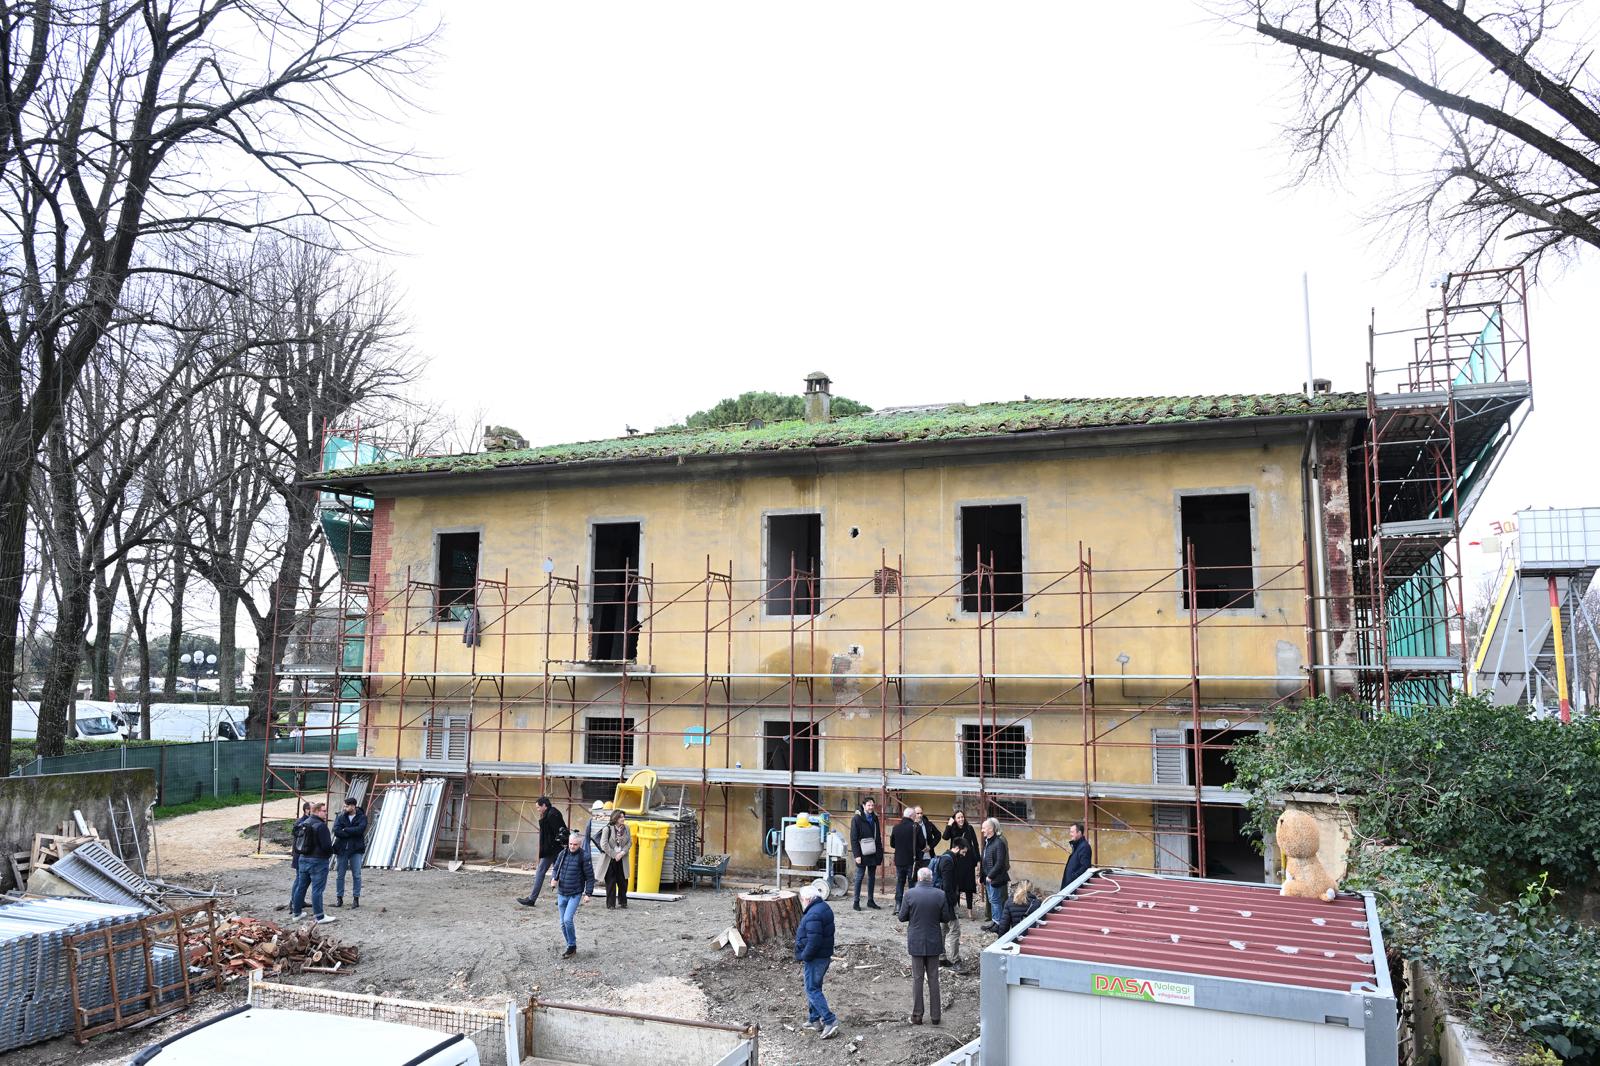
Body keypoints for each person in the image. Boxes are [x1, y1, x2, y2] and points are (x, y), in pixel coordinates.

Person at [898, 867, 951, 1025]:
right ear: (931, 878)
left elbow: (901, 917)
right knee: (934, 979)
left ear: (919, 878)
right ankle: (936, 1016)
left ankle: (917, 1015)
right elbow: (946, 917)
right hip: (934, 941)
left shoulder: (909, 894)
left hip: (916, 941)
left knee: (917, 979)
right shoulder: (940, 894)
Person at [793, 885, 840, 1040]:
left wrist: (804, 955)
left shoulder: (813, 914)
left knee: (812, 989)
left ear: (807, 899)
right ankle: (814, 1020)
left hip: (816, 957)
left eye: (801, 899)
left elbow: (814, 941)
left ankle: (829, 1020)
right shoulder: (822, 907)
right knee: (815, 987)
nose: (801, 901)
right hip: (822, 955)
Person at [548, 830, 595, 958]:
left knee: (568, 920)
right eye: (570, 844)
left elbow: (590, 877)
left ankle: (571, 945)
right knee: (562, 923)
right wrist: (553, 878)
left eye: (575, 844)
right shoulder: (562, 854)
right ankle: (571, 945)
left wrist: (588, 893)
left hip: (575, 893)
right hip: (561, 892)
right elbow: (556, 868)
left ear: (579, 845)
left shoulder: (584, 857)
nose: (572, 846)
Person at [290, 801, 337, 925]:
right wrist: (331, 852)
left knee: (301, 887)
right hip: (318, 861)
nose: (326, 813)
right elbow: (327, 846)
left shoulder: (304, 823)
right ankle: (320, 916)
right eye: (324, 811)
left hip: (303, 859)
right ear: (316, 811)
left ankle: (297, 913)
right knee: (317, 890)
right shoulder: (321, 826)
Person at [518, 796, 568, 907]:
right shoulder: (551, 813)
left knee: (548, 872)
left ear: (544, 805)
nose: (538, 809)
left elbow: (559, 833)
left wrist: (555, 847)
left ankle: (533, 899)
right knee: (558, 873)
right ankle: (561, 899)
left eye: (538, 807)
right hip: (553, 849)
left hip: (553, 850)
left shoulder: (552, 814)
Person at [928, 838, 965, 968]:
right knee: (955, 930)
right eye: (964, 852)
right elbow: (947, 886)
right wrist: (953, 904)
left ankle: (942, 957)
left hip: (941, 900)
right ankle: (956, 961)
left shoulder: (945, 857)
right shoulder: (948, 861)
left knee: (943, 929)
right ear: (958, 848)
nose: (964, 855)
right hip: (946, 901)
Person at [943, 810, 981, 918]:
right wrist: (949, 825)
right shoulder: (952, 828)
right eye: (958, 817)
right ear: (955, 819)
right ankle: (957, 909)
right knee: (956, 886)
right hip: (956, 860)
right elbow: (945, 837)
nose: (961, 819)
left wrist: (978, 860)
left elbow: (975, 844)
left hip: (968, 860)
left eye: (962, 817)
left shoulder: (969, 828)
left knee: (969, 886)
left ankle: (970, 911)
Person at [332, 796, 367, 909]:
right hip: (342, 849)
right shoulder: (341, 816)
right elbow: (336, 831)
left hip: (356, 849)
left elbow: (360, 830)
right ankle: (339, 898)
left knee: (356, 875)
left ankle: (356, 899)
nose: (344, 807)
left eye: (346, 806)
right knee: (340, 875)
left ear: (353, 806)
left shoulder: (362, 817)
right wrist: (352, 831)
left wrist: (346, 830)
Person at [849, 798, 884, 911]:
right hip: (862, 852)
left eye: (872, 805)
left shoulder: (874, 818)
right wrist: (857, 855)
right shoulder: (857, 819)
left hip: (873, 851)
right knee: (859, 876)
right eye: (869, 805)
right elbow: (853, 838)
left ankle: (870, 900)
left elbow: (878, 836)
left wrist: (879, 852)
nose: (871, 807)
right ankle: (856, 901)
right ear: (864, 805)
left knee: (872, 877)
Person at [593, 809, 631, 909]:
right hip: (609, 859)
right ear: (616, 818)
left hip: (622, 859)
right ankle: (611, 904)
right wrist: (615, 855)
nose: (623, 819)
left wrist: (622, 852)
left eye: (623, 817)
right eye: (621, 817)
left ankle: (623, 902)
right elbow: (604, 844)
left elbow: (629, 842)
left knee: (623, 881)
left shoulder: (627, 828)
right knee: (610, 882)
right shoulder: (607, 829)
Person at [979, 817, 1010, 931]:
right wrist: (981, 876)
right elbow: (984, 860)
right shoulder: (988, 842)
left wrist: (990, 875)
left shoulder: (999, 842)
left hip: (995, 878)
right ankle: (995, 921)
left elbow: (1000, 862)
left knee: (996, 901)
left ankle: (999, 924)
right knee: (993, 901)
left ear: (991, 829)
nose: (982, 830)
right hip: (988, 878)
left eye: (984, 828)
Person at [890, 807, 920, 906]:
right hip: (912, 860)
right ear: (911, 816)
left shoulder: (896, 828)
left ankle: (898, 905)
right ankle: (911, 905)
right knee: (912, 883)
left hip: (899, 859)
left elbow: (892, 844)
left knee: (900, 882)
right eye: (915, 816)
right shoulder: (915, 827)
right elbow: (922, 843)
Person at [1059, 821, 1093, 891]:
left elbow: (1085, 867)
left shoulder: (1084, 847)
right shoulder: (1078, 846)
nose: (1070, 834)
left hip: (1074, 887)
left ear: (1079, 833)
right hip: (1070, 886)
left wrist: (1072, 878)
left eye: (1072, 832)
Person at [289, 801, 312, 873]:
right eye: (313, 808)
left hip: (306, 854)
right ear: (307, 810)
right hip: (300, 853)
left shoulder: (311, 821)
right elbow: (298, 836)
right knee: (299, 879)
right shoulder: (300, 822)